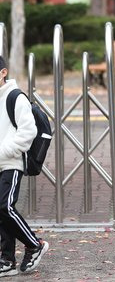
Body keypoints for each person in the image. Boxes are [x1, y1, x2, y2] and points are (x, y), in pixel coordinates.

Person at [0, 56, 49, 277]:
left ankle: (34, 244)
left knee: (4, 207)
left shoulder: (14, 97)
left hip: (10, 162)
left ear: (3, 72)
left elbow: (27, 133)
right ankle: (7, 259)